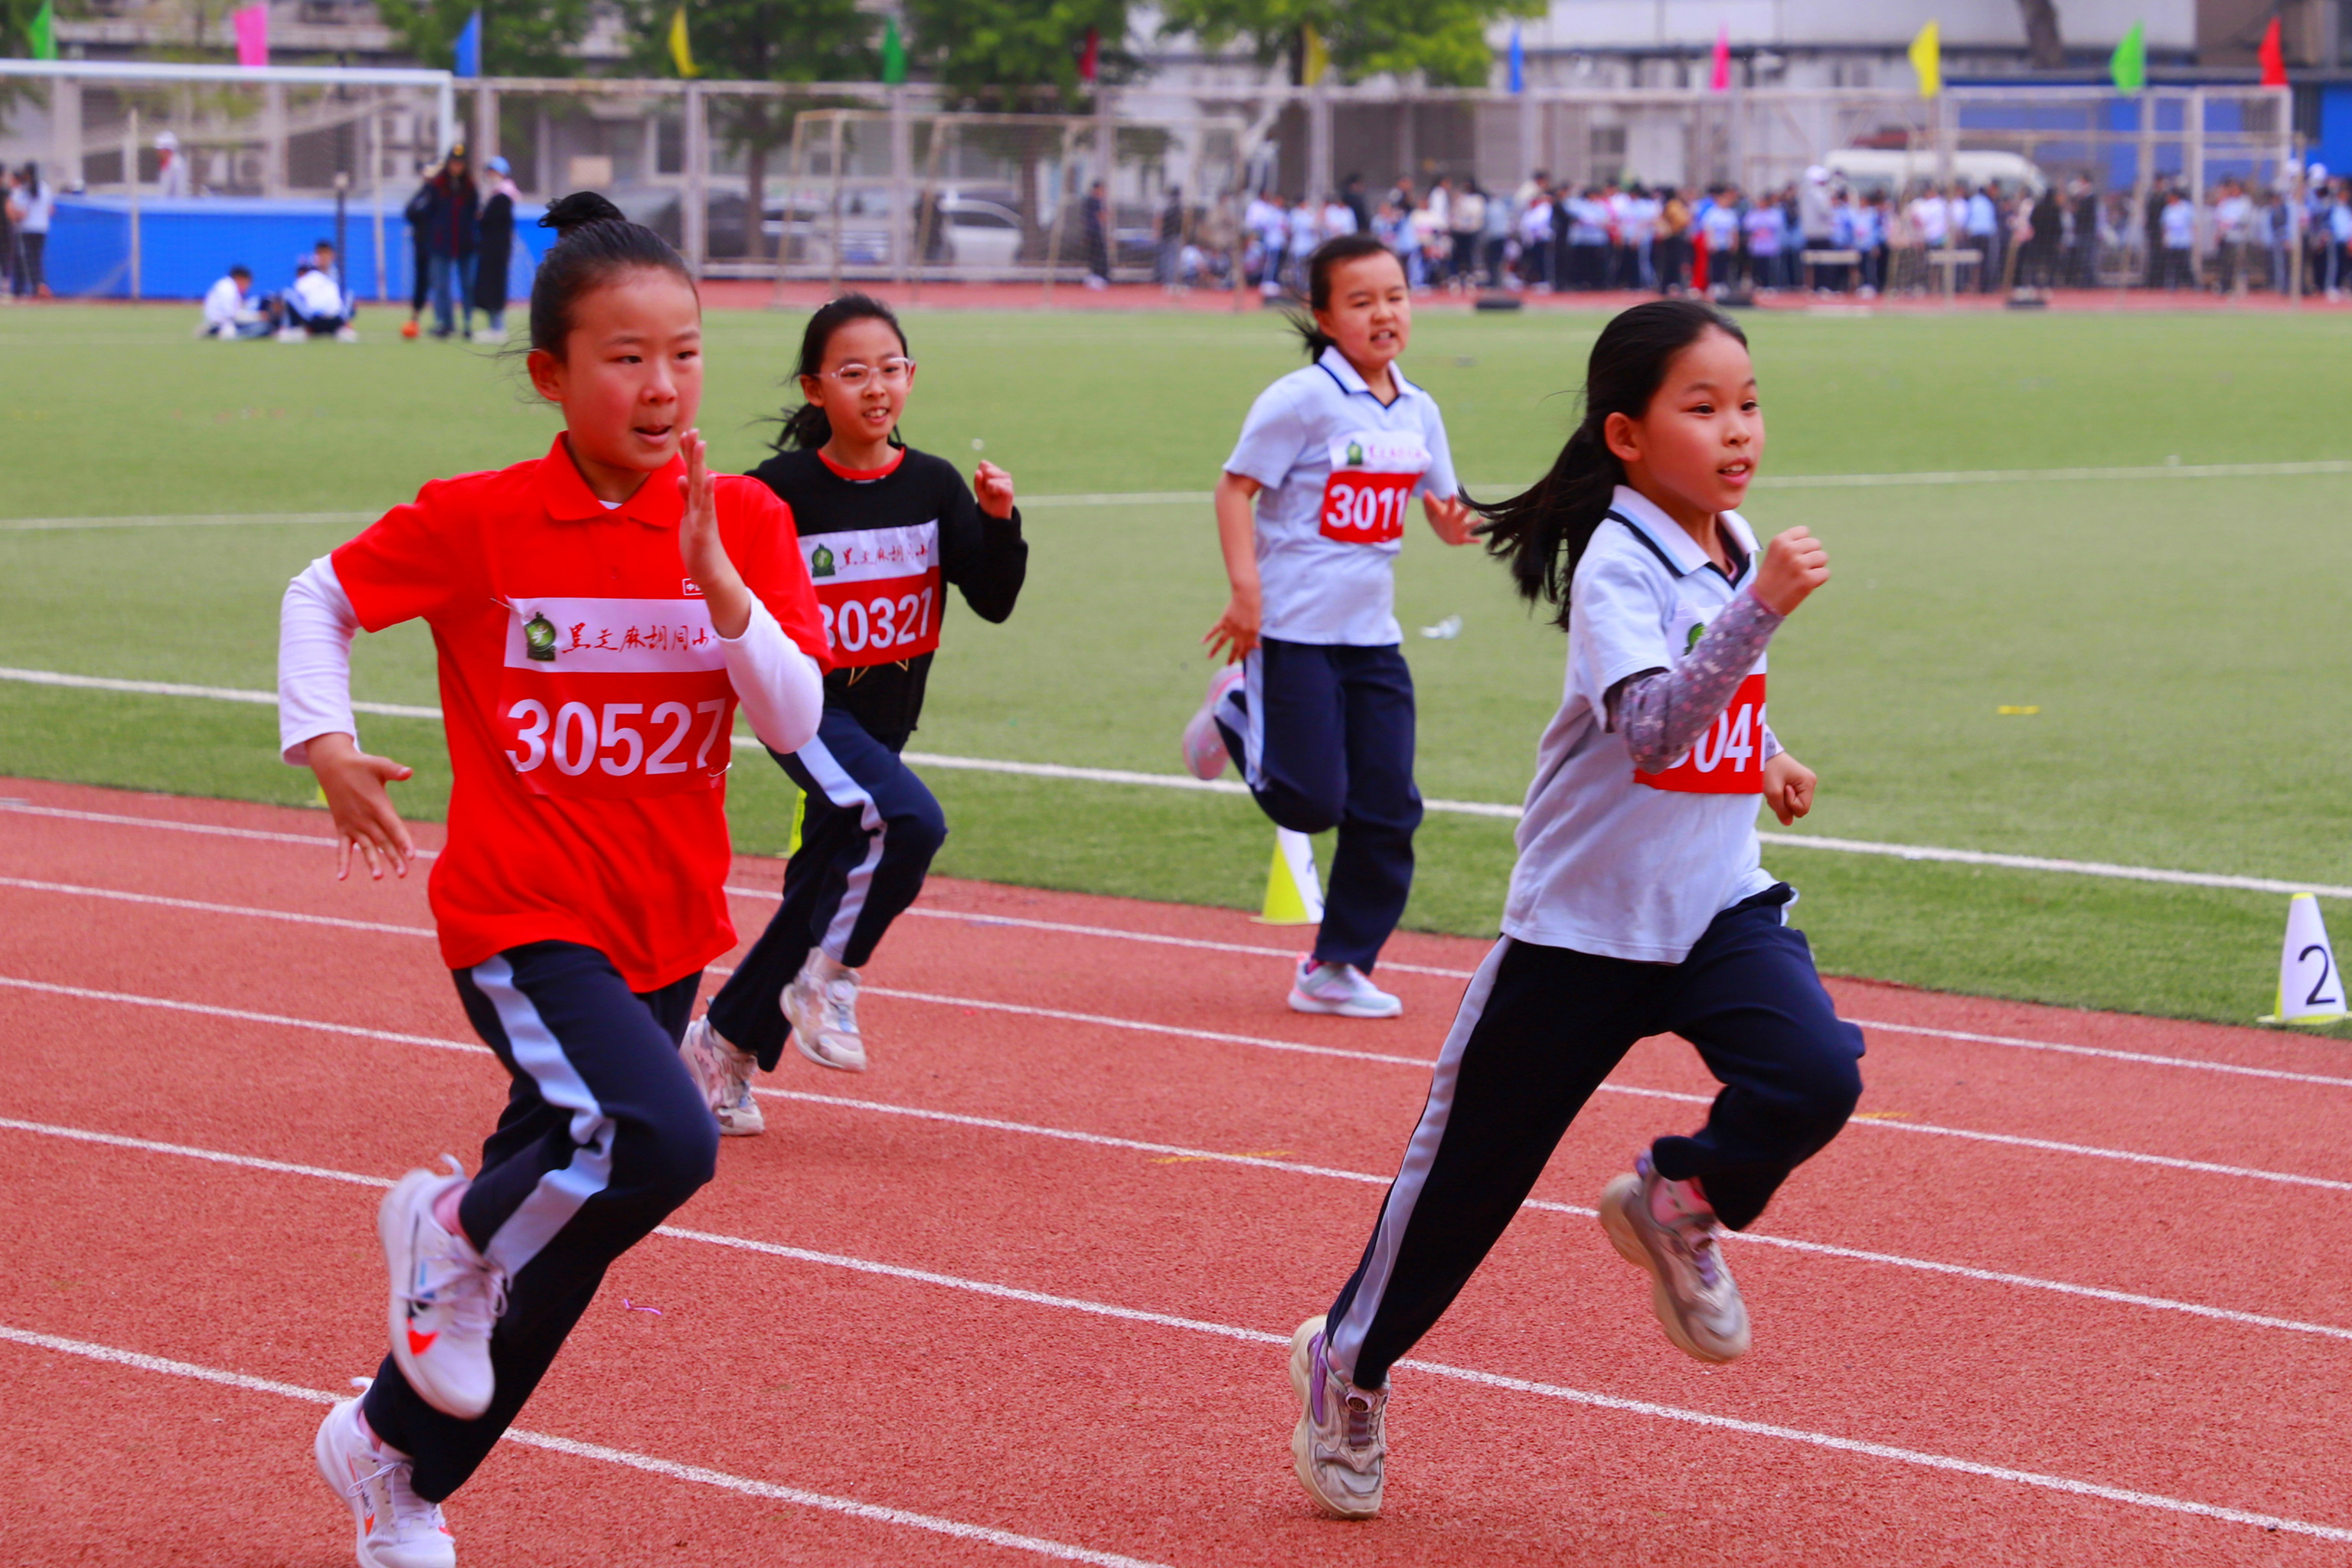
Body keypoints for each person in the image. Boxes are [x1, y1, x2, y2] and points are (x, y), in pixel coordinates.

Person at [282, 191, 829, 1568]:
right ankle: (445, 1226)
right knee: (666, 1139)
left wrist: (717, 584)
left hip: (665, 925)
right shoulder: (481, 521)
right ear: (551, 374)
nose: (662, 386)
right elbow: (322, 595)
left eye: (687, 353)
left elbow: (795, 723)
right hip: (520, 916)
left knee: (566, 1243)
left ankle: (395, 1458)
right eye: (626, 356)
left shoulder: (745, 519)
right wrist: (324, 740)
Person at [1285, 299, 1857, 1520]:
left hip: (1712, 909)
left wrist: (1766, 755)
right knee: (1466, 1186)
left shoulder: (1725, 537)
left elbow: (1711, 701)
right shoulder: (1618, 562)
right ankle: (1348, 1362)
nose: (1737, 429)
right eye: (1701, 408)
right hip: (1582, 931)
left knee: (1816, 1075)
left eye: (1747, 402)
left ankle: (1679, 1199)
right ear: (1628, 435)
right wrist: (1765, 607)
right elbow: (1649, 722)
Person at [678, 292, 1026, 1116]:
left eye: (892, 369)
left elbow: (994, 599)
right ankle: (830, 979)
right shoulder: (779, 491)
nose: (877, 387)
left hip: (886, 720)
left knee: (826, 880)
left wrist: (1000, 521)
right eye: (853, 372)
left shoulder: (935, 484)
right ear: (813, 387)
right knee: (911, 822)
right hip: (807, 708)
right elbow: (712, 585)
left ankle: (720, 1044)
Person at [1179, 234, 1474, 1020]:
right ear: (1324, 315)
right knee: (1311, 803)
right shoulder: (1300, 400)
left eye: (1397, 296)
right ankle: (1235, 707)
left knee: (1389, 804)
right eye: (1362, 300)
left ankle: (1336, 963)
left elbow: (1443, 503)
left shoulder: (1419, 410)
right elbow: (1233, 490)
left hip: (1372, 637)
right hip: (1293, 629)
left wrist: (1452, 525)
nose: (1385, 313)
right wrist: (1247, 592)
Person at [421, 147, 480, 338]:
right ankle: (444, 322)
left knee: (468, 284)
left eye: (460, 163)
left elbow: (474, 214)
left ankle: (468, 321)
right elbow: (427, 212)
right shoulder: (438, 184)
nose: (457, 167)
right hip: (441, 243)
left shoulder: (470, 186)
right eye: (454, 163)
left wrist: (474, 236)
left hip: (466, 243)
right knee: (441, 284)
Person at [474, 155, 518, 342]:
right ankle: (494, 326)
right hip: (492, 248)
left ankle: (498, 327)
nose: (490, 175)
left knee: (495, 285)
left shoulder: (503, 197)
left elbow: (491, 223)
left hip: (496, 250)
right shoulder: (497, 195)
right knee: (490, 285)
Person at [282, 252, 358, 341]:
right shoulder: (328, 280)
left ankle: (294, 329)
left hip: (315, 322)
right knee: (348, 295)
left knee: (288, 294)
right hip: (337, 321)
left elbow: (301, 302)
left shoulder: (302, 281)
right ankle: (344, 327)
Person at [8, 162, 51, 298]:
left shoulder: (23, 190)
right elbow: (50, 209)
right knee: (38, 259)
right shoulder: (45, 188)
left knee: (29, 260)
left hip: (27, 229)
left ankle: (36, 288)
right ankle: (41, 284)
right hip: (42, 228)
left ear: (26, 174)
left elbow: (21, 213)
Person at [199, 265, 270, 338]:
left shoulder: (225, 285)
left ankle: (214, 330)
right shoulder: (228, 289)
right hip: (223, 325)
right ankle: (219, 332)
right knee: (264, 327)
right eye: (248, 283)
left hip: (216, 322)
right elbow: (233, 315)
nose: (248, 287)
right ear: (241, 278)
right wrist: (258, 317)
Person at [1082, 178, 1111, 289]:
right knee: (1100, 254)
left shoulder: (1088, 200)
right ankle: (1099, 277)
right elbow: (1102, 217)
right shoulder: (1095, 201)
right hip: (1095, 231)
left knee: (1094, 255)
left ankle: (1095, 275)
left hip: (1090, 231)